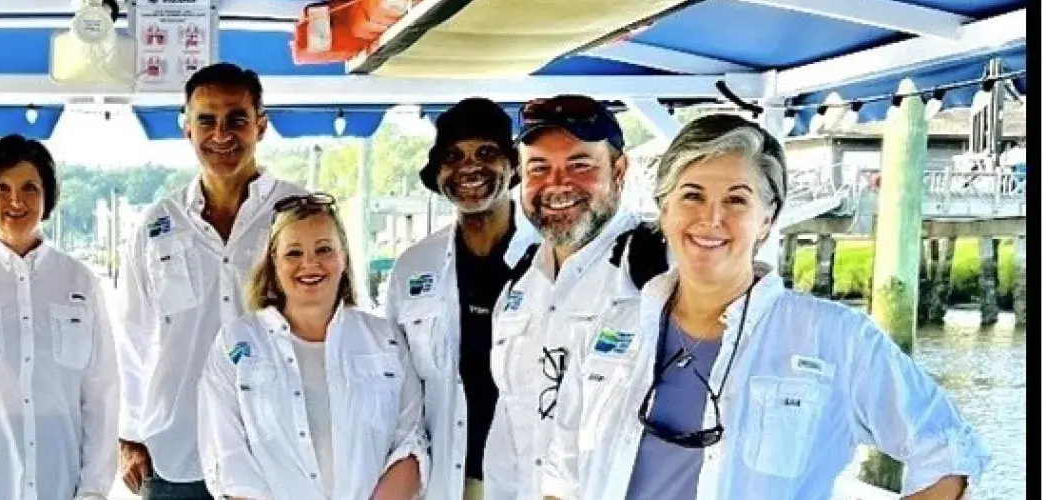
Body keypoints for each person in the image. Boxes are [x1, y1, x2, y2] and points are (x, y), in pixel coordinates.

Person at [540, 114, 989, 500]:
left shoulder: (837, 338)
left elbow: (947, 450)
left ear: (768, 219)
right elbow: (562, 473)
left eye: (737, 199)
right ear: (664, 209)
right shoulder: (609, 330)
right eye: (692, 195)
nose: (711, 219)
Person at [116, 62, 309, 500]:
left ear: (261, 126)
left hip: (276, 447)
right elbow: (131, 337)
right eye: (206, 120)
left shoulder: (299, 212)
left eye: (236, 119)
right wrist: (127, 434)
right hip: (177, 450)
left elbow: (331, 323)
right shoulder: (157, 225)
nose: (221, 135)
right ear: (187, 128)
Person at [0, 135, 119, 500]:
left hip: (60, 483)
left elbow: (101, 392)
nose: (16, 201)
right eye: (2, 188)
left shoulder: (79, 280)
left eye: (30, 187)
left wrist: (94, 490)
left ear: (47, 197)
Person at [197, 192, 427, 499]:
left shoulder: (386, 340)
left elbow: (411, 444)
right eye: (293, 253)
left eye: (324, 249)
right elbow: (229, 459)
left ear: (343, 258)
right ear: (273, 264)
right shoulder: (235, 344)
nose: (310, 263)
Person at [489, 94, 663, 499]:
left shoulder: (660, 269)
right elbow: (508, 431)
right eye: (539, 168)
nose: (557, 184)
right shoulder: (519, 282)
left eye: (579, 165)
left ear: (619, 171)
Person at [379, 98, 539, 500]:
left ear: (513, 165)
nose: (469, 167)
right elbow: (397, 386)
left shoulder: (550, 259)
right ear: (439, 173)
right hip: (444, 478)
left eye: (486, 152)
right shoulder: (413, 267)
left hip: (531, 479)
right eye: (453, 156)